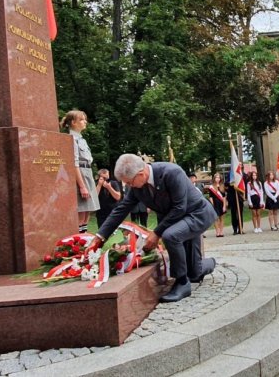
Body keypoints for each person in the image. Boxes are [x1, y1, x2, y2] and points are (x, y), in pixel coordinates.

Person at [88, 154, 217, 303]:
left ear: (141, 174)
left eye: (129, 182)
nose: (129, 186)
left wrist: (156, 233)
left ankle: (182, 283)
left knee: (170, 236)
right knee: (194, 272)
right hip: (177, 220)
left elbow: (179, 208)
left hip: (196, 214)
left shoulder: (171, 173)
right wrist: (100, 236)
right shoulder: (137, 185)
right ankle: (210, 263)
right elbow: (121, 209)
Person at [61, 110, 100, 233]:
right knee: (82, 209)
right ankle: (78, 240)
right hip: (81, 174)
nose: (85, 122)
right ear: (73, 122)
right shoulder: (71, 139)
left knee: (88, 208)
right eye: (82, 120)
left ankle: (84, 240)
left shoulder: (81, 139)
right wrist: (82, 186)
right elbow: (74, 163)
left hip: (87, 172)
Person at [206, 173, 228, 237]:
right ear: (214, 178)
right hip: (215, 204)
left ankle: (221, 232)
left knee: (222, 218)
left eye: (219, 178)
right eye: (216, 177)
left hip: (221, 204)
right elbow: (210, 197)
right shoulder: (211, 187)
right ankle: (217, 232)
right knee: (215, 219)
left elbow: (224, 197)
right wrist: (212, 205)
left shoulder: (222, 186)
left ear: (220, 179)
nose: (217, 179)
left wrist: (224, 205)